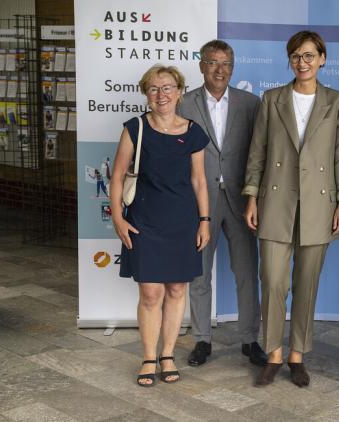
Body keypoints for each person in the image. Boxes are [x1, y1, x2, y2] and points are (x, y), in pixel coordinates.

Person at [242, 30, 339, 387]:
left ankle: (296, 356)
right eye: (296, 56)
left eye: (309, 55)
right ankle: (273, 352)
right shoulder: (272, 99)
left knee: (307, 282)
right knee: (273, 279)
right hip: (275, 200)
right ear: (289, 60)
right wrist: (251, 197)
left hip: (319, 204)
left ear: (322, 58)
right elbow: (257, 151)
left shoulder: (336, 101)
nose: (302, 62)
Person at [110, 64, 210, 387]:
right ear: (146, 94)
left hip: (182, 222)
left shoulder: (193, 131)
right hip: (144, 222)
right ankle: (148, 357)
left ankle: (168, 354)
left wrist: (204, 221)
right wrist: (117, 217)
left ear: (180, 92)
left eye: (167, 88)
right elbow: (117, 176)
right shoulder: (135, 128)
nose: (161, 94)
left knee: (177, 289)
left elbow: (199, 180)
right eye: (154, 89)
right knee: (151, 292)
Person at [178, 40, 266, 367]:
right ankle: (202, 340)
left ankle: (249, 339)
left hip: (243, 201)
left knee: (246, 273)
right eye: (213, 63)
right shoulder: (183, 103)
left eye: (226, 63)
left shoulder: (251, 104)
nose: (220, 70)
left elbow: (261, 152)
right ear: (201, 66)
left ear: (233, 67)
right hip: (199, 202)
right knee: (199, 275)